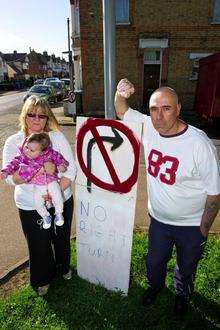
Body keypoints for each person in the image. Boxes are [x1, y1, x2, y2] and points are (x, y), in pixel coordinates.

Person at [115, 78, 220, 315]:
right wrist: (121, 94)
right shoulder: (149, 128)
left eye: (166, 108)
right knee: (154, 262)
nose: (159, 116)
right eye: (154, 109)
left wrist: (203, 229)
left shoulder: (198, 144)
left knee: (186, 265)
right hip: (159, 222)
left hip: (191, 225)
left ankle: (181, 294)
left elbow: (214, 195)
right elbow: (121, 110)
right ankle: (155, 287)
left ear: (179, 109)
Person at [2, 95, 76, 296]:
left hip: (61, 197)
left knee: (61, 238)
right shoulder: (14, 142)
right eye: (31, 114)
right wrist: (36, 170)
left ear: (48, 117)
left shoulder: (57, 137)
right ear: (24, 116)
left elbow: (71, 170)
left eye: (42, 116)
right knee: (39, 244)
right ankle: (42, 278)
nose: (36, 119)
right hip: (30, 204)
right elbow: (9, 178)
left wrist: (56, 192)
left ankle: (62, 268)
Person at [1, 132, 69, 229]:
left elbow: (59, 159)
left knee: (57, 196)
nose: (27, 151)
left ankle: (59, 214)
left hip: (51, 181)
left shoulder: (50, 154)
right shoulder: (24, 157)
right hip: (38, 185)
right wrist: (5, 171)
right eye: (27, 147)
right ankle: (46, 216)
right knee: (37, 203)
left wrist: (62, 165)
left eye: (32, 150)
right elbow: (13, 163)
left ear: (42, 151)